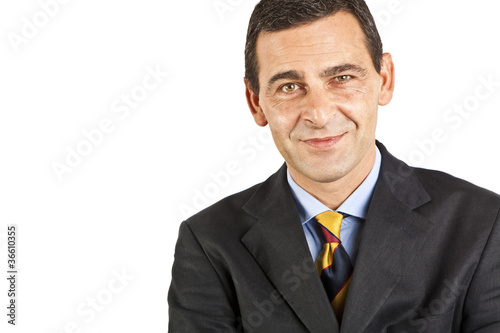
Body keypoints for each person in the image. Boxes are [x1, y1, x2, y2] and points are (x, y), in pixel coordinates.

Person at [168, 0, 500, 331]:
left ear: (384, 79)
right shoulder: (208, 242)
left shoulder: (484, 224)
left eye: (341, 77)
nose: (319, 113)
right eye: (289, 86)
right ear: (256, 102)